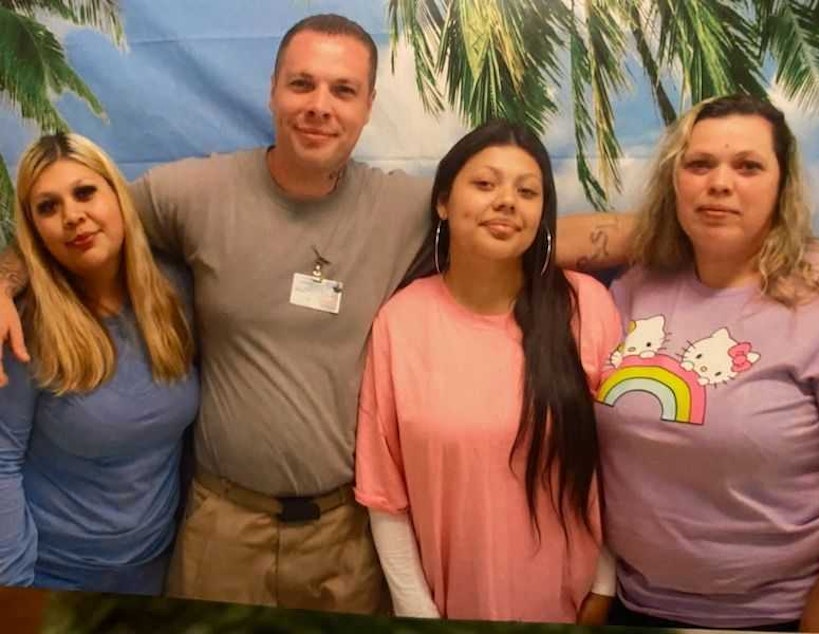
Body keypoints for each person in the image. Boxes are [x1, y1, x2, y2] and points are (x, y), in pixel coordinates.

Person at [0, 14, 631, 611]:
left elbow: (529, 228)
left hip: (345, 537)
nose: (319, 105)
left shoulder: (407, 207)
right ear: (272, 91)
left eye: (343, 89)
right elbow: (76, 223)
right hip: (222, 528)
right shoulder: (192, 193)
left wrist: (696, 233)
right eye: (301, 83)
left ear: (367, 107)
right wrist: (5, 279)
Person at [594, 94, 819, 631]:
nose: (720, 183)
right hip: (633, 605)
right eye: (699, 164)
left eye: (749, 166)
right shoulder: (636, 286)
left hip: (777, 617)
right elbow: (536, 241)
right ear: (674, 180)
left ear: (783, 185)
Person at [354, 120, 620, 622]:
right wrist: (417, 610)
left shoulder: (586, 306)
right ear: (443, 202)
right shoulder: (401, 321)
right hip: (445, 606)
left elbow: (612, 468)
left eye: (527, 190)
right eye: (484, 184)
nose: (506, 201)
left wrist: (602, 590)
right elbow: (385, 493)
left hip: (572, 607)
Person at [0, 132, 198, 594]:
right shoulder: (23, 323)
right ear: (34, 230)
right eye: (47, 207)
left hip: (157, 567)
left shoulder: (176, 294)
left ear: (118, 195)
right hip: (51, 573)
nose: (73, 216)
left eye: (85, 192)